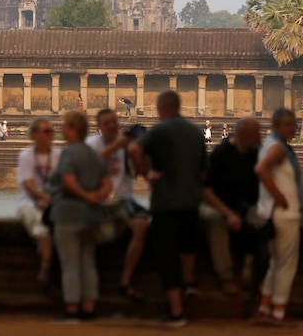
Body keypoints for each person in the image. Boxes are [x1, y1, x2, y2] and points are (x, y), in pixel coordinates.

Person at [129, 91, 206, 327]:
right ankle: (189, 283)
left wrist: (146, 174)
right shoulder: (195, 132)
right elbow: (204, 170)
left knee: (168, 256)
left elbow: (133, 150)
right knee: (188, 247)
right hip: (191, 200)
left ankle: (176, 312)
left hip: (165, 203)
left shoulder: (159, 131)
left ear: (162, 108)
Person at [49, 110, 111, 323]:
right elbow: (107, 183)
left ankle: (72, 308)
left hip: (69, 213)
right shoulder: (93, 153)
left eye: (65, 126)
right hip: (90, 215)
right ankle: (89, 307)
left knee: (70, 264)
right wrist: (96, 197)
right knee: (87, 262)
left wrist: (84, 195)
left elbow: (68, 180)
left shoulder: (69, 153)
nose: (62, 130)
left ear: (74, 129)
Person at [255, 108, 303, 322]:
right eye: (288, 124)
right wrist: (279, 196)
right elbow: (261, 170)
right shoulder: (278, 147)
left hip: (277, 214)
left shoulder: (272, 145)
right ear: (276, 126)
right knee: (287, 264)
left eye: (294, 123)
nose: (293, 128)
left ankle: (265, 307)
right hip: (284, 214)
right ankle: (278, 312)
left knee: (276, 263)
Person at [86, 109, 149, 302]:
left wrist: (136, 153)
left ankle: (125, 281)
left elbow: (143, 173)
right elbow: (92, 165)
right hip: (98, 200)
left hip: (122, 200)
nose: (112, 125)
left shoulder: (127, 144)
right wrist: (116, 147)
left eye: (114, 121)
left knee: (142, 226)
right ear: (100, 127)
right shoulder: (92, 143)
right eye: (107, 122)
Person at [198, 116, 263, 298]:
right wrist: (228, 213)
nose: (260, 137)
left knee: (261, 217)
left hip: (245, 205)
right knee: (213, 219)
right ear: (242, 135)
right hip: (216, 205)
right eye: (255, 133)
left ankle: (250, 274)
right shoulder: (221, 154)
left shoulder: (256, 154)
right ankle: (225, 276)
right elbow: (206, 191)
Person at [17, 117, 61, 287]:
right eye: (46, 131)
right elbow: (28, 184)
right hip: (29, 201)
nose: (51, 134)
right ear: (34, 135)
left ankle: (46, 268)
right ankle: (46, 268)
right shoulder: (26, 155)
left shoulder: (57, 155)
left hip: (51, 201)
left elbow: (60, 183)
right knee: (43, 229)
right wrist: (44, 198)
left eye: (52, 131)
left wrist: (48, 200)